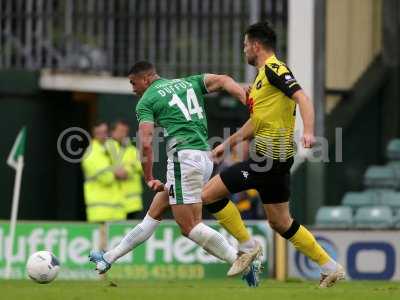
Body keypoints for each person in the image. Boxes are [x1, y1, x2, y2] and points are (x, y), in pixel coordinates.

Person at [89, 62, 262, 285]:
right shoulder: (188, 82)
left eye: (133, 82)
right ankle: (108, 258)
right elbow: (224, 79)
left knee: (189, 226)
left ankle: (241, 259)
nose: (132, 88)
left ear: (147, 78)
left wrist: (149, 176)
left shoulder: (147, 101)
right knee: (156, 210)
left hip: (184, 159)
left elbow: (146, 143)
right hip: (204, 157)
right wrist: (247, 100)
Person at [201, 21, 345, 288]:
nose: (244, 50)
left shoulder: (274, 69)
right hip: (274, 160)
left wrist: (310, 131)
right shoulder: (260, 80)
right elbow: (256, 123)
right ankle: (329, 266)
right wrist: (228, 144)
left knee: (208, 195)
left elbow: (303, 98)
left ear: (256, 45)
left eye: (245, 45)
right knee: (280, 222)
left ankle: (248, 247)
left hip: (269, 159)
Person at [82, 121, 127, 250]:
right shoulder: (90, 153)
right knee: (102, 248)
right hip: (100, 211)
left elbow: (126, 166)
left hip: (117, 210)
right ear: (94, 133)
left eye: (105, 132)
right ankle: (101, 269)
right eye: (99, 133)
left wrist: (118, 170)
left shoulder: (111, 147)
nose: (103, 135)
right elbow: (106, 177)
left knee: (116, 248)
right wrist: (116, 171)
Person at [107, 120, 143, 219]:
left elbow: (140, 167)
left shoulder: (132, 150)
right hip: (112, 202)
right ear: (112, 132)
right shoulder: (106, 148)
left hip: (131, 203)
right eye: (121, 131)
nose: (124, 134)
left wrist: (127, 171)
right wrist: (115, 172)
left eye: (125, 131)